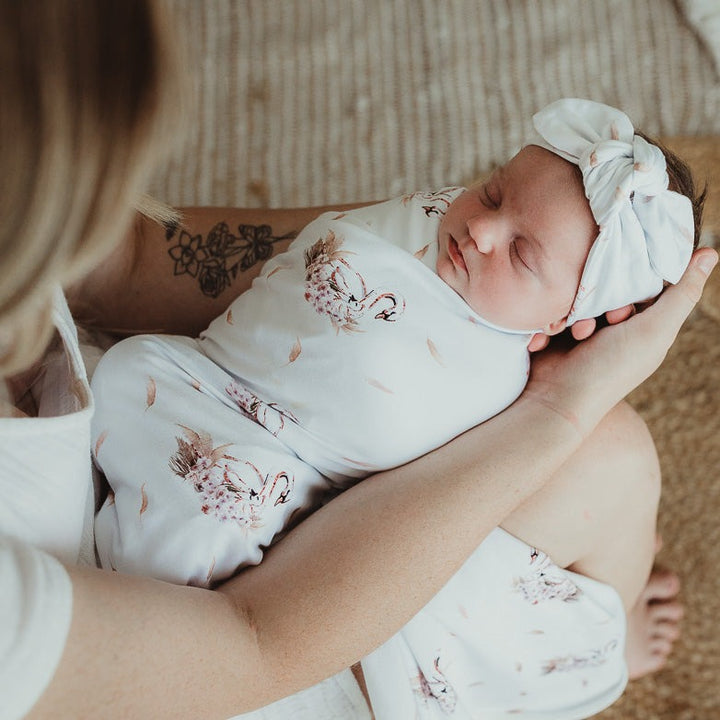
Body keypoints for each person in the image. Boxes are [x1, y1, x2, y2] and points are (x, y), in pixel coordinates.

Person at [0, 2, 715, 719]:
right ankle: (603, 643)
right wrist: (562, 407)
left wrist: (409, 233)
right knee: (610, 453)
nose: (480, 223)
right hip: (227, 643)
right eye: (491, 193)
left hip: (271, 511)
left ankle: (610, 591)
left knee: (605, 460)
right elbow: (253, 644)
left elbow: (127, 259)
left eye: (522, 247)